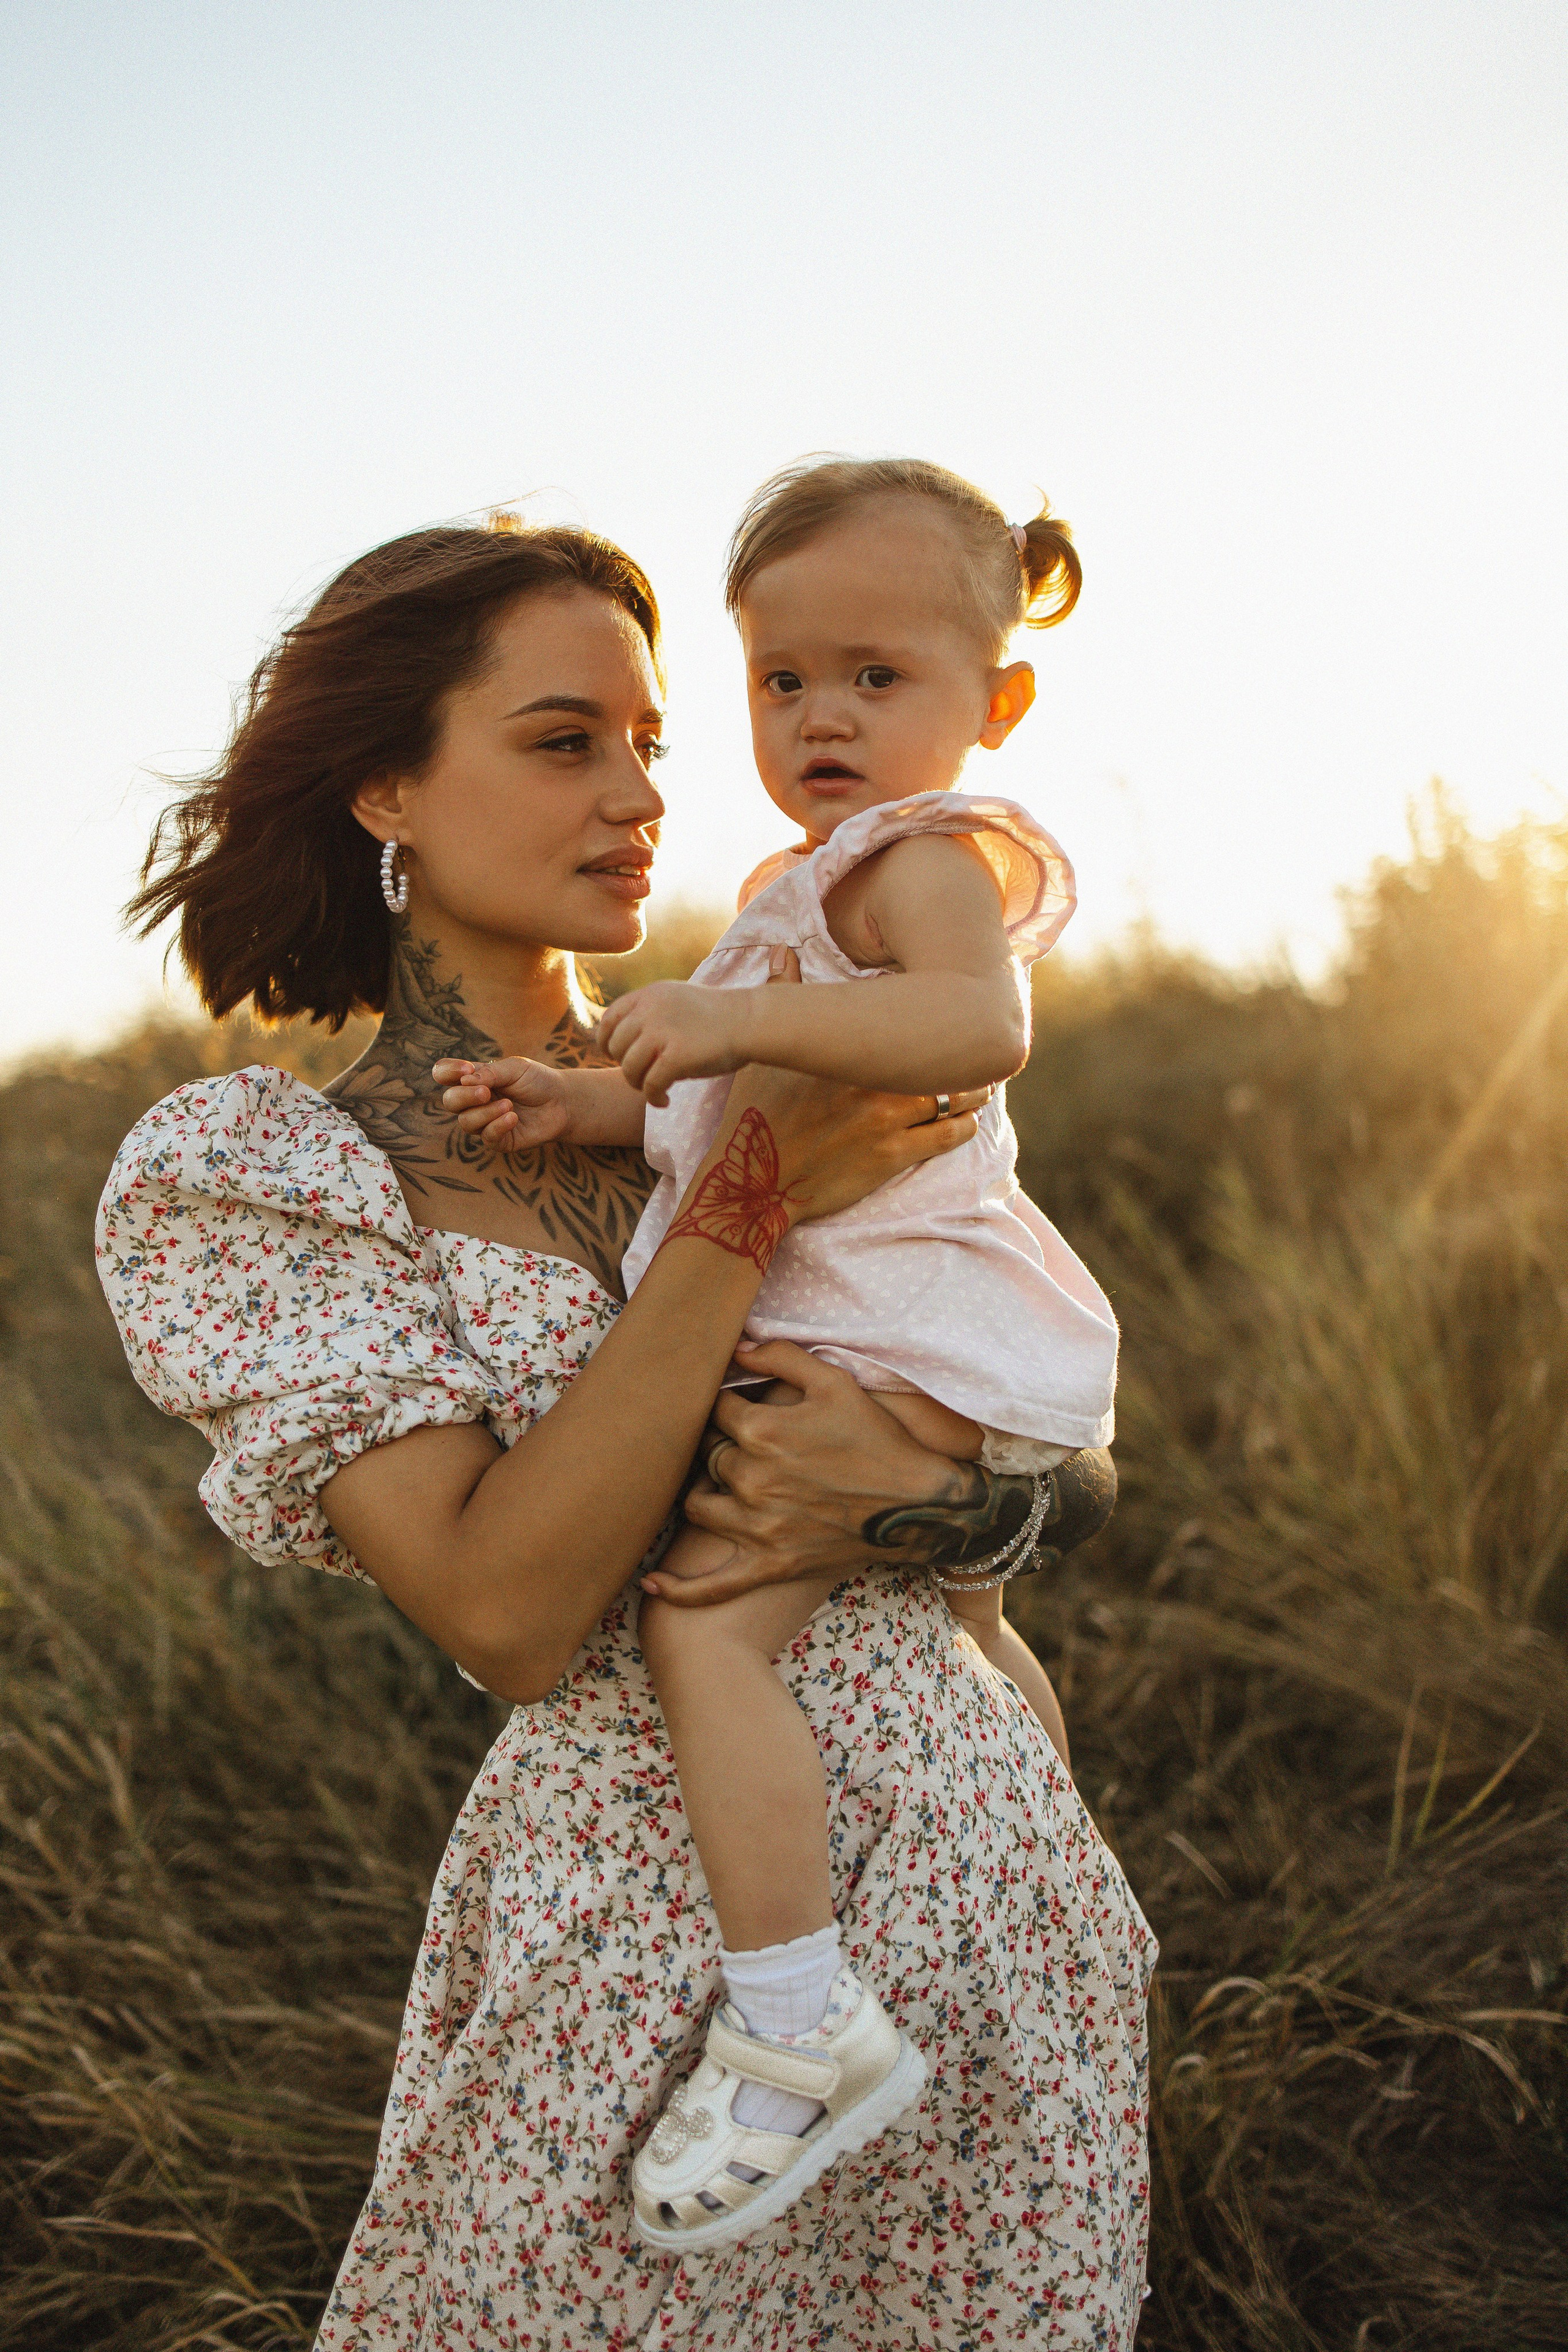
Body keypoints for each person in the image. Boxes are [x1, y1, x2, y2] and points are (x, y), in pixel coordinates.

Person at [95, 512, 1155, 2348]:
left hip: (997, 1887)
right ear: (388, 791)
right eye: (565, 741)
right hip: (650, 1954)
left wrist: (931, 1511)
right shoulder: (267, 1176)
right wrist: (749, 1194)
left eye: (654, 741)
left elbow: (1053, 1437)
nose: (639, 793)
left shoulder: (798, 1030)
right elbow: (508, 1615)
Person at [430, 458, 1120, 2252]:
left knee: (708, 1617)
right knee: (974, 1637)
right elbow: (726, 1122)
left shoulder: (921, 859)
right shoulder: (800, 880)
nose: (819, 717)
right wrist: (592, 1097)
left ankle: (800, 2016)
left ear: (998, 700)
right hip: (881, 1327)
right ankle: (1056, 1861)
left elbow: (981, 1026)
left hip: (894, 1312)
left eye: (876, 678)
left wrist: (727, 1017)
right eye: (783, 681)